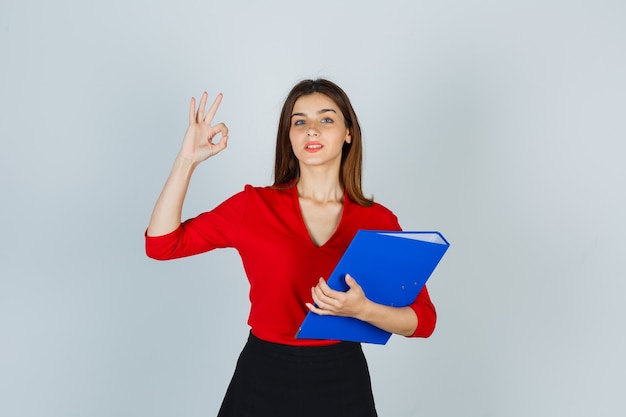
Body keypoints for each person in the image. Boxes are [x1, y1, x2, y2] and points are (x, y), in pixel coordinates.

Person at [145, 79, 436, 417]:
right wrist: (186, 161)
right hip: (262, 375)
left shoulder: (378, 220)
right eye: (300, 121)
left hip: (342, 379)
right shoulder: (253, 207)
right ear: (290, 137)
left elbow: (424, 320)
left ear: (348, 133)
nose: (312, 130)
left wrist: (363, 310)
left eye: (326, 119)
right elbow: (162, 244)